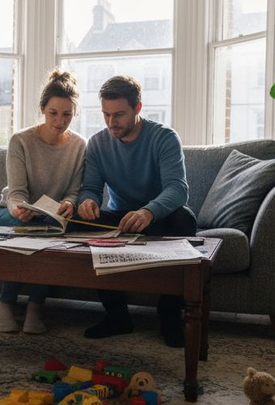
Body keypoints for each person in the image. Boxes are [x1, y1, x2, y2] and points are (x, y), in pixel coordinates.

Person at [77, 75, 197, 346]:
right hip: (120, 220)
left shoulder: (164, 137)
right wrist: (87, 201)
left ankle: (169, 315)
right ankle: (117, 316)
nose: (111, 123)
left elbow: (178, 189)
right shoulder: (97, 143)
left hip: (159, 218)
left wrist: (148, 211)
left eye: (119, 114)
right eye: (106, 115)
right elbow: (91, 188)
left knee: (185, 219)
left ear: (138, 108)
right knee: (73, 219)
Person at [0, 69, 86, 334]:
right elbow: (16, 193)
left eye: (67, 114)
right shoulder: (21, 140)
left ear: (74, 113)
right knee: (31, 231)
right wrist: (17, 209)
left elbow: (74, 192)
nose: (60, 120)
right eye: (53, 113)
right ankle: (6, 304)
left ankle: (34, 307)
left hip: (49, 218)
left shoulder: (80, 146)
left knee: (48, 231)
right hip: (8, 213)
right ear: (43, 109)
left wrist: (69, 204)